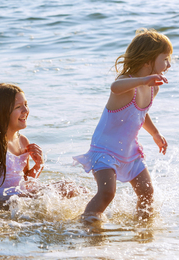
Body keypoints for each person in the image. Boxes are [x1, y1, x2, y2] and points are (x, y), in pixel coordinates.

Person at [73, 28, 173, 221]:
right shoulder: (126, 83)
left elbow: (140, 113)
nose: (169, 64)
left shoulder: (153, 89)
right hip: (105, 150)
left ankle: (142, 230)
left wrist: (155, 134)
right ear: (147, 60)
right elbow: (114, 87)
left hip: (129, 151)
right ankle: (88, 223)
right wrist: (143, 80)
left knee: (147, 193)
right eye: (165, 58)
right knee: (107, 193)